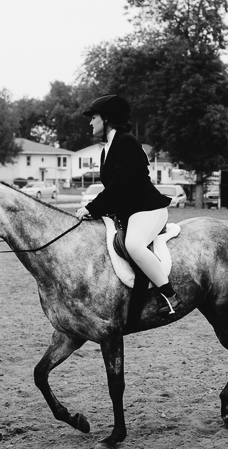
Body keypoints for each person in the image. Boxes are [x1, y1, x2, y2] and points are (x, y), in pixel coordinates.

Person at [74, 94, 180, 315]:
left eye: (93, 117)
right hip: (127, 213)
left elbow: (119, 184)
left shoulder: (126, 141)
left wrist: (91, 207)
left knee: (134, 245)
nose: (90, 122)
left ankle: (169, 295)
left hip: (148, 209)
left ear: (107, 118)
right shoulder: (107, 149)